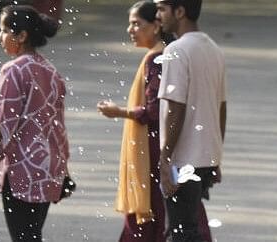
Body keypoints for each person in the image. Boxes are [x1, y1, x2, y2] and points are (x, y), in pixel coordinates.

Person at [97, 1, 212, 242]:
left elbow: (154, 111)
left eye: (137, 24)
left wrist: (119, 112)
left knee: (159, 213)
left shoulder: (158, 58)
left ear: (156, 26)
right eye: (130, 24)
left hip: (156, 148)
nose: (131, 30)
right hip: (163, 145)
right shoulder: (159, 55)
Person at [0, 5, 70, 242]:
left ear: (21, 36)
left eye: (4, 30)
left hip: (21, 169)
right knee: (32, 234)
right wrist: (63, 167)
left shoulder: (13, 70)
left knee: (23, 237)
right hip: (48, 168)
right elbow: (58, 126)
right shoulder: (51, 70)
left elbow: (5, 124)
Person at [155, 0, 227, 241]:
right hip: (206, 156)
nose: (158, 15)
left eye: (162, 9)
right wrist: (216, 156)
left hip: (183, 158)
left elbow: (175, 107)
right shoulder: (213, 48)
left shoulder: (175, 50)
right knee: (186, 227)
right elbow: (221, 106)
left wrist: (165, 158)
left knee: (182, 231)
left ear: (180, 11)